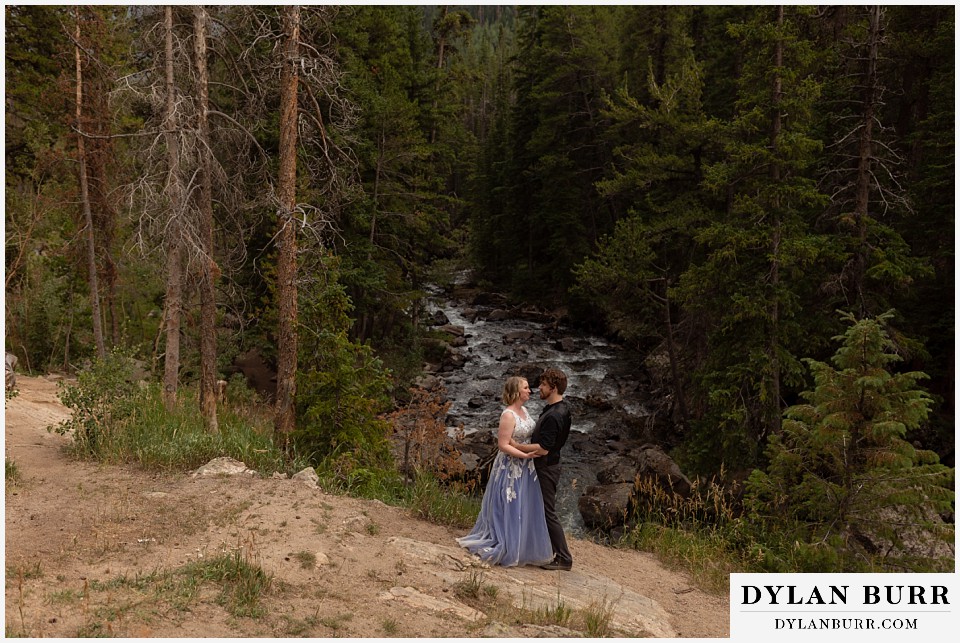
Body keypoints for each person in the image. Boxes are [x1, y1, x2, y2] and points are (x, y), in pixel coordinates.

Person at [456, 376, 554, 567]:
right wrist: (523, 456)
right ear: (517, 392)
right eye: (526, 388)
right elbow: (502, 445)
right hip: (511, 465)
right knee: (509, 503)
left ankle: (521, 545)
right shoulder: (508, 415)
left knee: (524, 503)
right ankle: (506, 544)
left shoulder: (524, 410)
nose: (530, 391)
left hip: (526, 466)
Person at [527, 367, 573, 571]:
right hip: (550, 465)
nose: (539, 387)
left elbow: (544, 449)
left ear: (553, 388)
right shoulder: (560, 409)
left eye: (543, 385)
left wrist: (514, 446)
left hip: (546, 467)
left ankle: (564, 558)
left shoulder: (554, 415)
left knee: (547, 512)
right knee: (543, 510)